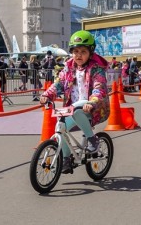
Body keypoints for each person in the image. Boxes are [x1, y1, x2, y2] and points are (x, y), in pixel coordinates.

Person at [39, 30, 110, 174]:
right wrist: (47, 95)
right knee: (61, 126)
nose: (78, 55)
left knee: (78, 112)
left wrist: (92, 102)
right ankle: (66, 159)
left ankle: (92, 139)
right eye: (75, 51)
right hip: (73, 107)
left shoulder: (97, 69)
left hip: (94, 108)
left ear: (90, 52)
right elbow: (58, 84)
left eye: (83, 51)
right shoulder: (68, 68)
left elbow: (99, 88)